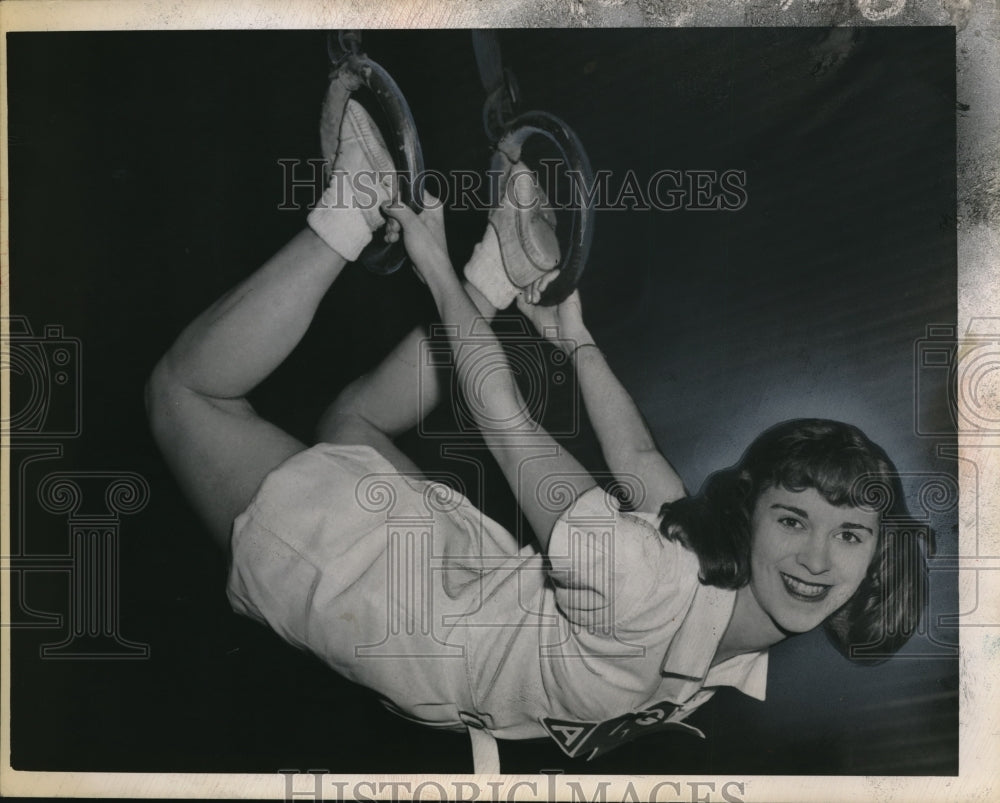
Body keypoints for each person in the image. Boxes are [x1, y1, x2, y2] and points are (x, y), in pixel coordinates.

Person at [145, 94, 930, 772]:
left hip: (400, 615)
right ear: (752, 515)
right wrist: (513, 308)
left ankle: (405, 232)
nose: (818, 559)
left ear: (877, 550)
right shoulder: (674, 592)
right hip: (441, 594)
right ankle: (416, 234)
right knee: (285, 413)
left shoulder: (705, 613)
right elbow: (577, 441)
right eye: (794, 520)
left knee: (235, 402)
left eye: (850, 533)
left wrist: (491, 299)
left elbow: (581, 444)